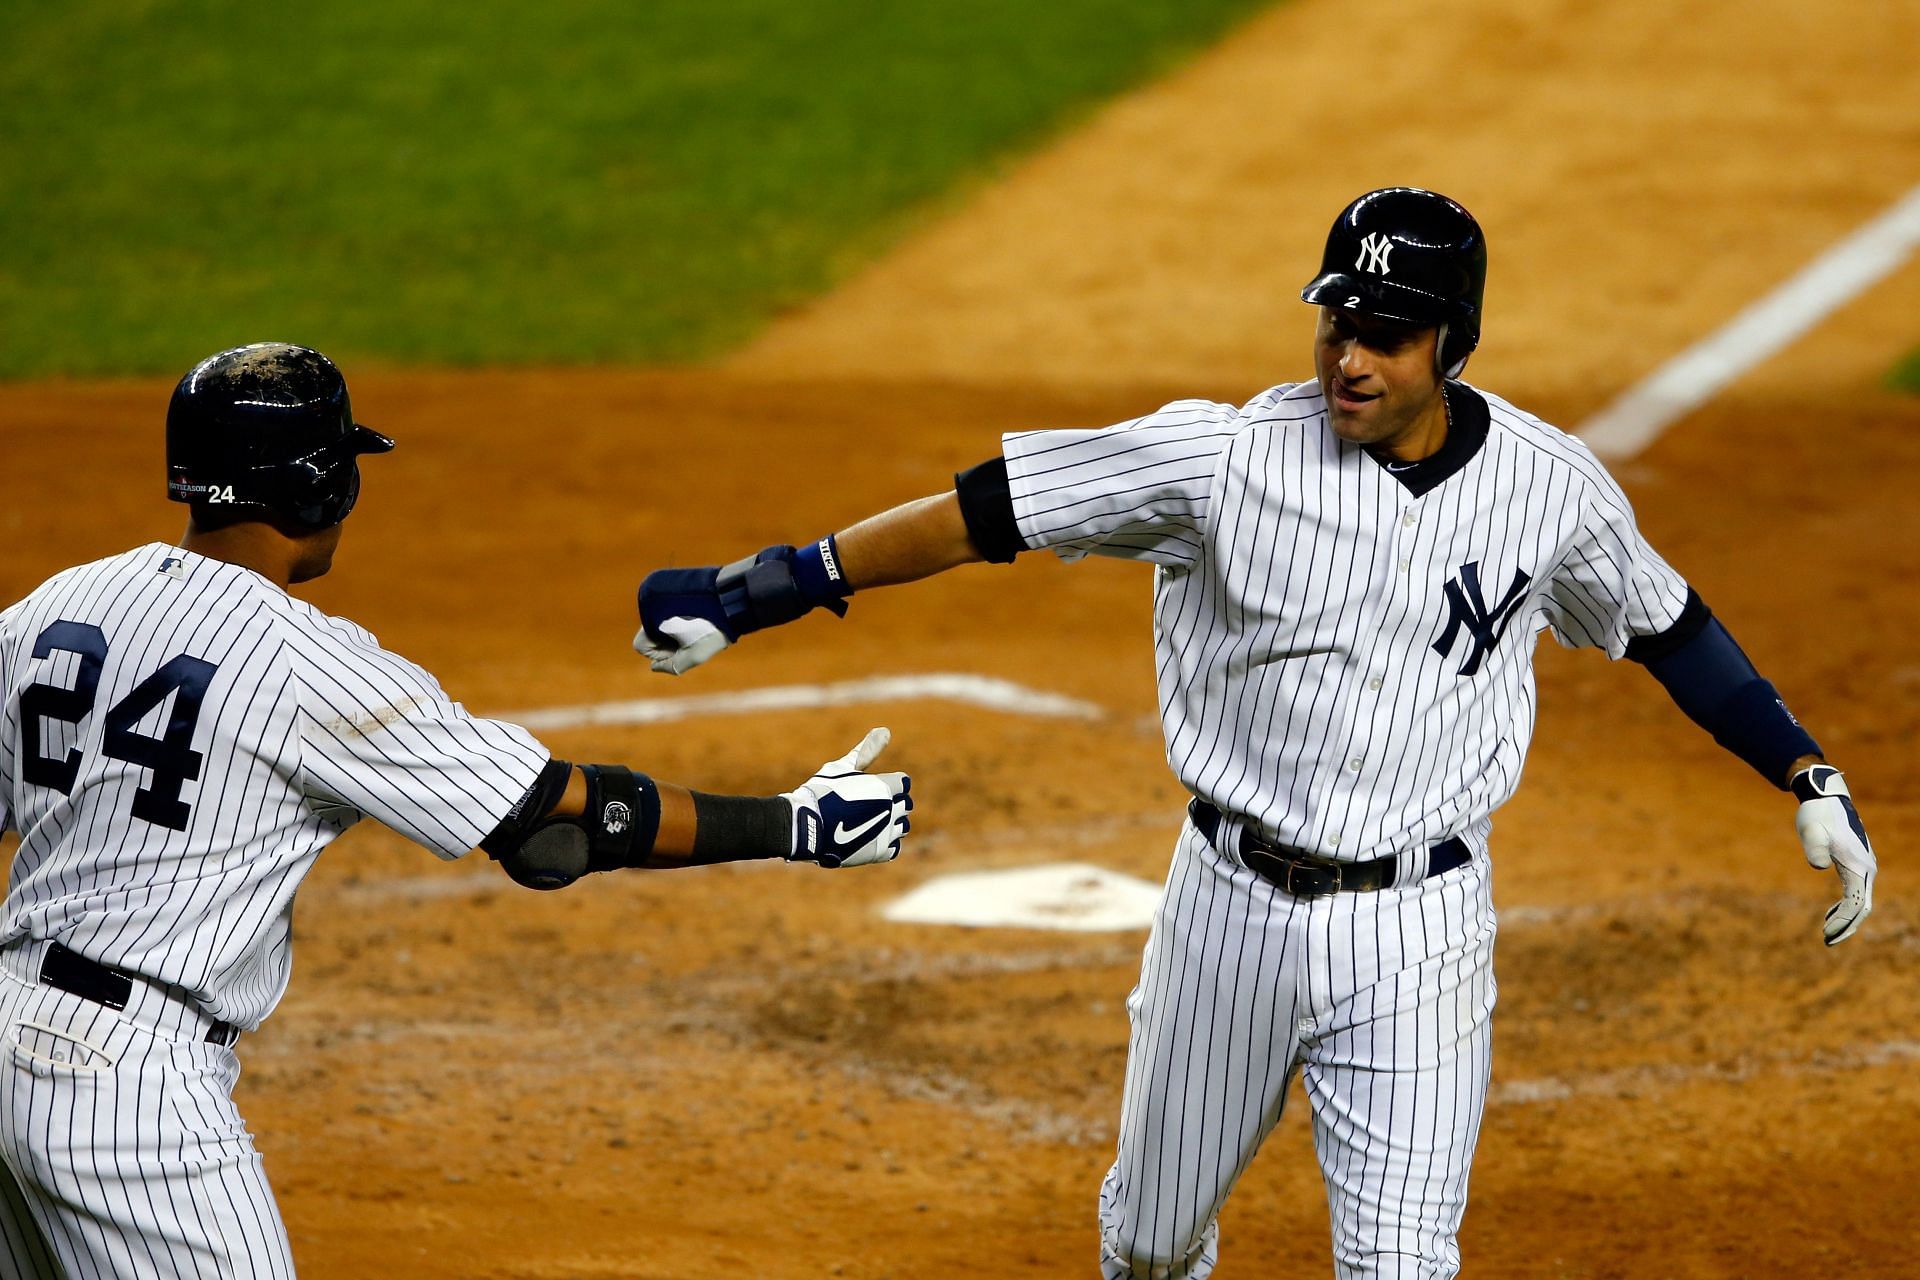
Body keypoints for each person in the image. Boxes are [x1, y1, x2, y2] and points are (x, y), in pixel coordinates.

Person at [630, 188, 1878, 1279]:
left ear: (1453, 343)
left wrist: (1803, 767)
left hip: (1421, 932)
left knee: (1402, 1261)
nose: (1350, 356)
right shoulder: (1220, 460)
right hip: (1227, 908)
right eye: (1336, 321)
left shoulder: (1553, 488)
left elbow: (1669, 627)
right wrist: (759, 590)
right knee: (1152, 1242)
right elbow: (986, 511)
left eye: (1385, 334)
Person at [0, 342, 913, 1278]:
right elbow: (558, 824)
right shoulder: (311, 666)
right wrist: (797, 824)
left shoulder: (57, 607)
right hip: (127, 1090)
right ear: (322, 486)